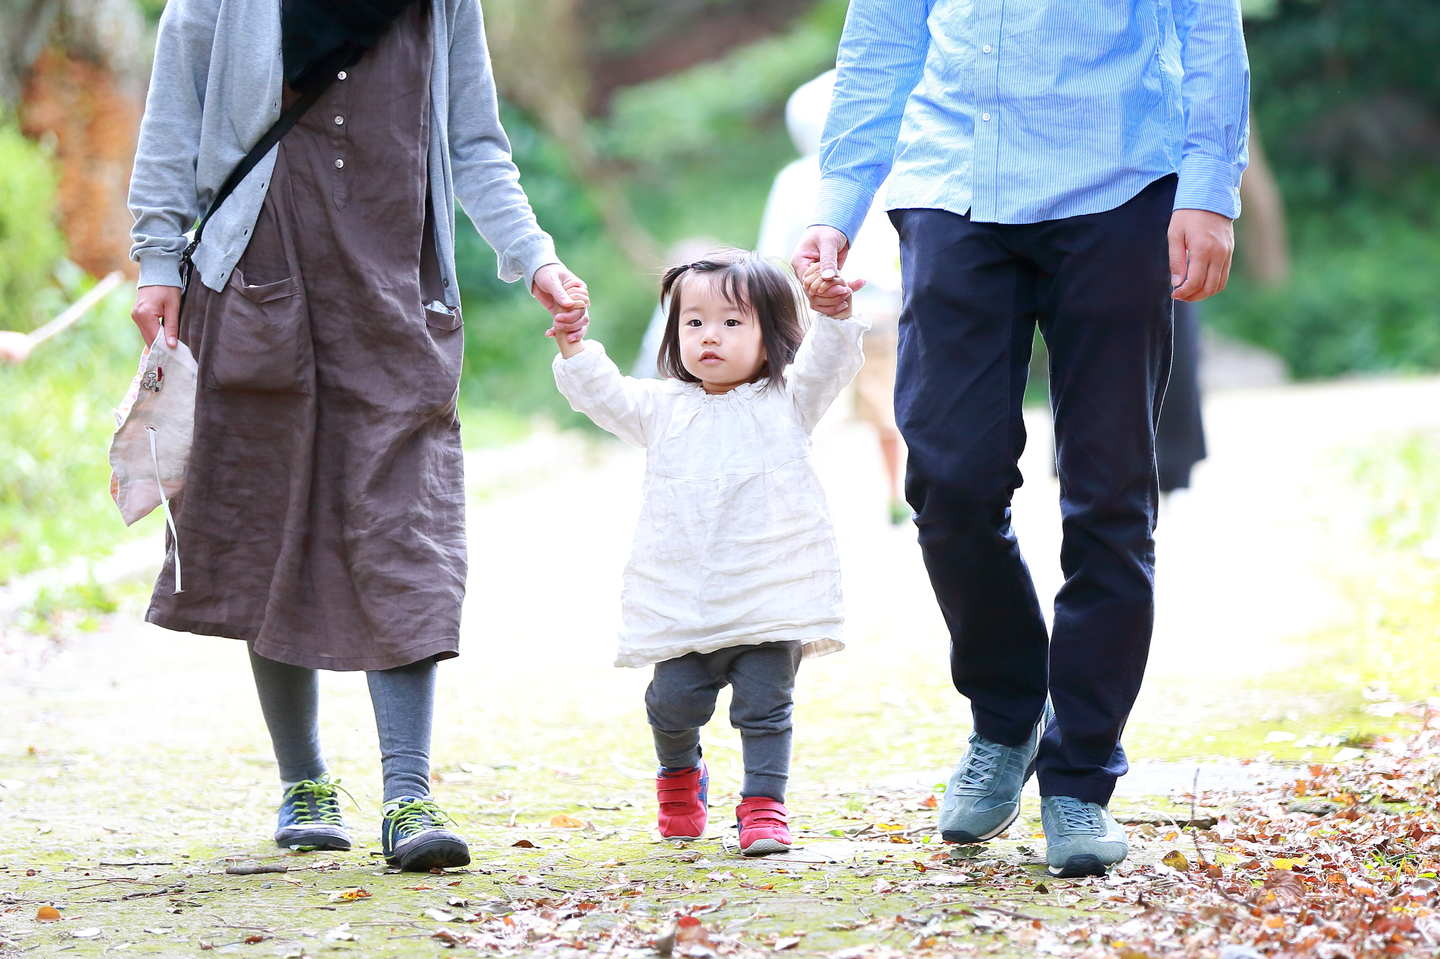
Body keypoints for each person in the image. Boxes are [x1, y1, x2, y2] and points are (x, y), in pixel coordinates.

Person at [126, 0, 587, 870]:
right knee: (270, 520)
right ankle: (303, 781)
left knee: (403, 524)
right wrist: (158, 258)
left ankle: (409, 794)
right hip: (258, 277)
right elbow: (173, 112)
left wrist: (535, 256)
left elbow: (476, 142)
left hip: (395, 292)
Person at [795, 0, 1248, 877]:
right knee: (948, 477)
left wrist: (1209, 186)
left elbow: (1205, 24)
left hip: (1119, 180)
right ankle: (1007, 712)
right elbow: (882, 41)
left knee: (1110, 489)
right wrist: (838, 203)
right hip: (952, 185)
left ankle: (1078, 773)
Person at [549, 250, 867, 856]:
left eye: (731, 321)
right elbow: (605, 396)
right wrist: (573, 346)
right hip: (685, 601)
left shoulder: (789, 399)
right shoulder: (662, 408)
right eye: (693, 322)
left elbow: (829, 363)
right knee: (671, 704)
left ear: (771, 337)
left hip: (771, 593)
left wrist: (834, 315)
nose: (709, 337)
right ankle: (679, 775)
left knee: (766, 707)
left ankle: (764, 806)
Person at [757, 71, 908, 525]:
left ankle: (805, 497)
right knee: (888, 407)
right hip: (880, 306)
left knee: (818, 406)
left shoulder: (793, 179)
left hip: (812, 312)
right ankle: (897, 496)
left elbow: (772, 250)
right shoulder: (881, 176)